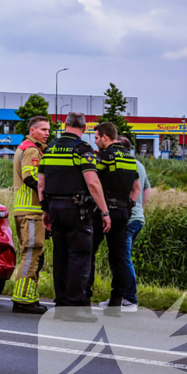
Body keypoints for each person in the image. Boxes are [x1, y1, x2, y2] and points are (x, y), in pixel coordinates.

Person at [38, 111, 111, 322]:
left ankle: (61, 306)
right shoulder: (82, 149)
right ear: (85, 128)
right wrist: (105, 212)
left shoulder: (50, 149)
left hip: (55, 208)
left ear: (65, 124)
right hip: (77, 209)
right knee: (80, 257)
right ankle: (76, 307)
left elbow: (41, 183)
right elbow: (92, 183)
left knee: (60, 257)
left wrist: (46, 210)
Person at [85, 123, 141, 315]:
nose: (95, 141)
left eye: (97, 137)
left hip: (104, 211)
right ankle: (116, 301)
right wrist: (129, 206)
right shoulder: (130, 158)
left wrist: (103, 209)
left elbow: (91, 179)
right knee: (118, 257)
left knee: (89, 252)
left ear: (105, 137)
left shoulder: (104, 156)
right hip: (124, 212)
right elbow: (137, 188)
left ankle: (85, 296)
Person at [98, 136, 151, 312]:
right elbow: (145, 188)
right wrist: (138, 208)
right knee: (120, 257)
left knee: (122, 258)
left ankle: (129, 298)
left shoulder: (123, 164)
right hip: (136, 217)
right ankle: (119, 297)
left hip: (125, 218)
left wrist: (127, 209)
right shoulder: (138, 165)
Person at [10, 116, 50, 315]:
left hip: (25, 210)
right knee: (32, 253)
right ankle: (23, 299)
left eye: (48, 130)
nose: (47, 133)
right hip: (31, 210)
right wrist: (50, 191)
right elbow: (31, 177)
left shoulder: (25, 148)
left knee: (32, 253)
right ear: (32, 130)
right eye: (43, 129)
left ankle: (28, 297)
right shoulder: (32, 149)